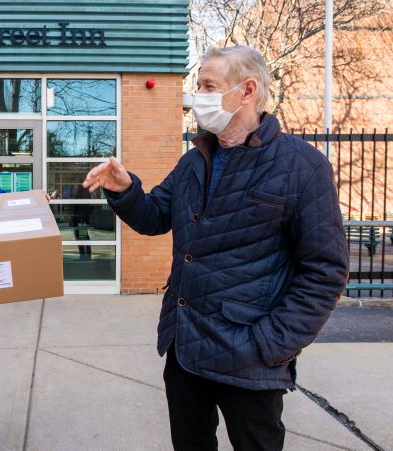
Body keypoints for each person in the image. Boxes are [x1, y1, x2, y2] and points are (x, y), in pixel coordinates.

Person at [83, 46, 349, 451]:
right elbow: (156, 216)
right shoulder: (196, 160)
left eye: (208, 86)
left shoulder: (302, 166)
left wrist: (271, 344)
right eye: (198, 86)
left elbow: (325, 270)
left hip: (249, 357)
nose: (197, 96)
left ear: (247, 91)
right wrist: (125, 190)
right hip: (185, 348)